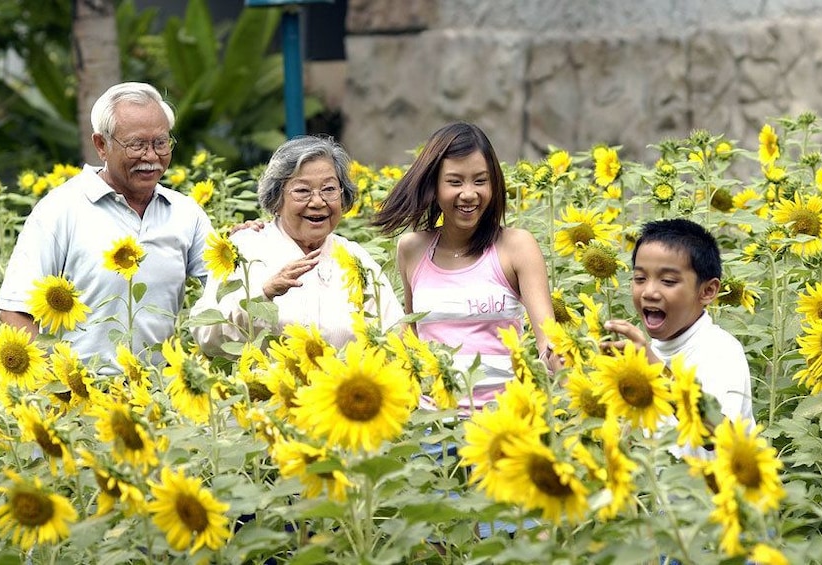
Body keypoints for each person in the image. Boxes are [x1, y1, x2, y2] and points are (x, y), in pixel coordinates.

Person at [0, 82, 213, 374]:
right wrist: (56, 382)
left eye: (161, 143)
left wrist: (250, 247)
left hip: (160, 396)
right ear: (101, 145)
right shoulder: (61, 209)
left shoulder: (185, 213)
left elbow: (223, 289)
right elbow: (15, 308)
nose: (151, 157)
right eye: (137, 145)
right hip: (82, 395)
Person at [372, 122, 558, 408]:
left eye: (480, 181)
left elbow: (548, 338)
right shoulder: (412, 249)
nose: (469, 193)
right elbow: (412, 334)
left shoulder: (516, 247)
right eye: (455, 182)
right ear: (434, 186)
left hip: (503, 425)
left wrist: (566, 366)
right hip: (434, 430)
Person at [189, 135, 404, 355]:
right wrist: (264, 295)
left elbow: (395, 335)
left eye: (329, 189)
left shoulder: (355, 258)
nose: (318, 202)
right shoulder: (245, 249)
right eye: (302, 191)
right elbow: (205, 333)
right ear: (277, 199)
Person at [603, 218, 755, 457]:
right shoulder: (642, 352)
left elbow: (717, 434)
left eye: (668, 281)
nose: (649, 292)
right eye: (640, 278)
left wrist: (652, 366)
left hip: (712, 493)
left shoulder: (721, 351)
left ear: (707, 291)